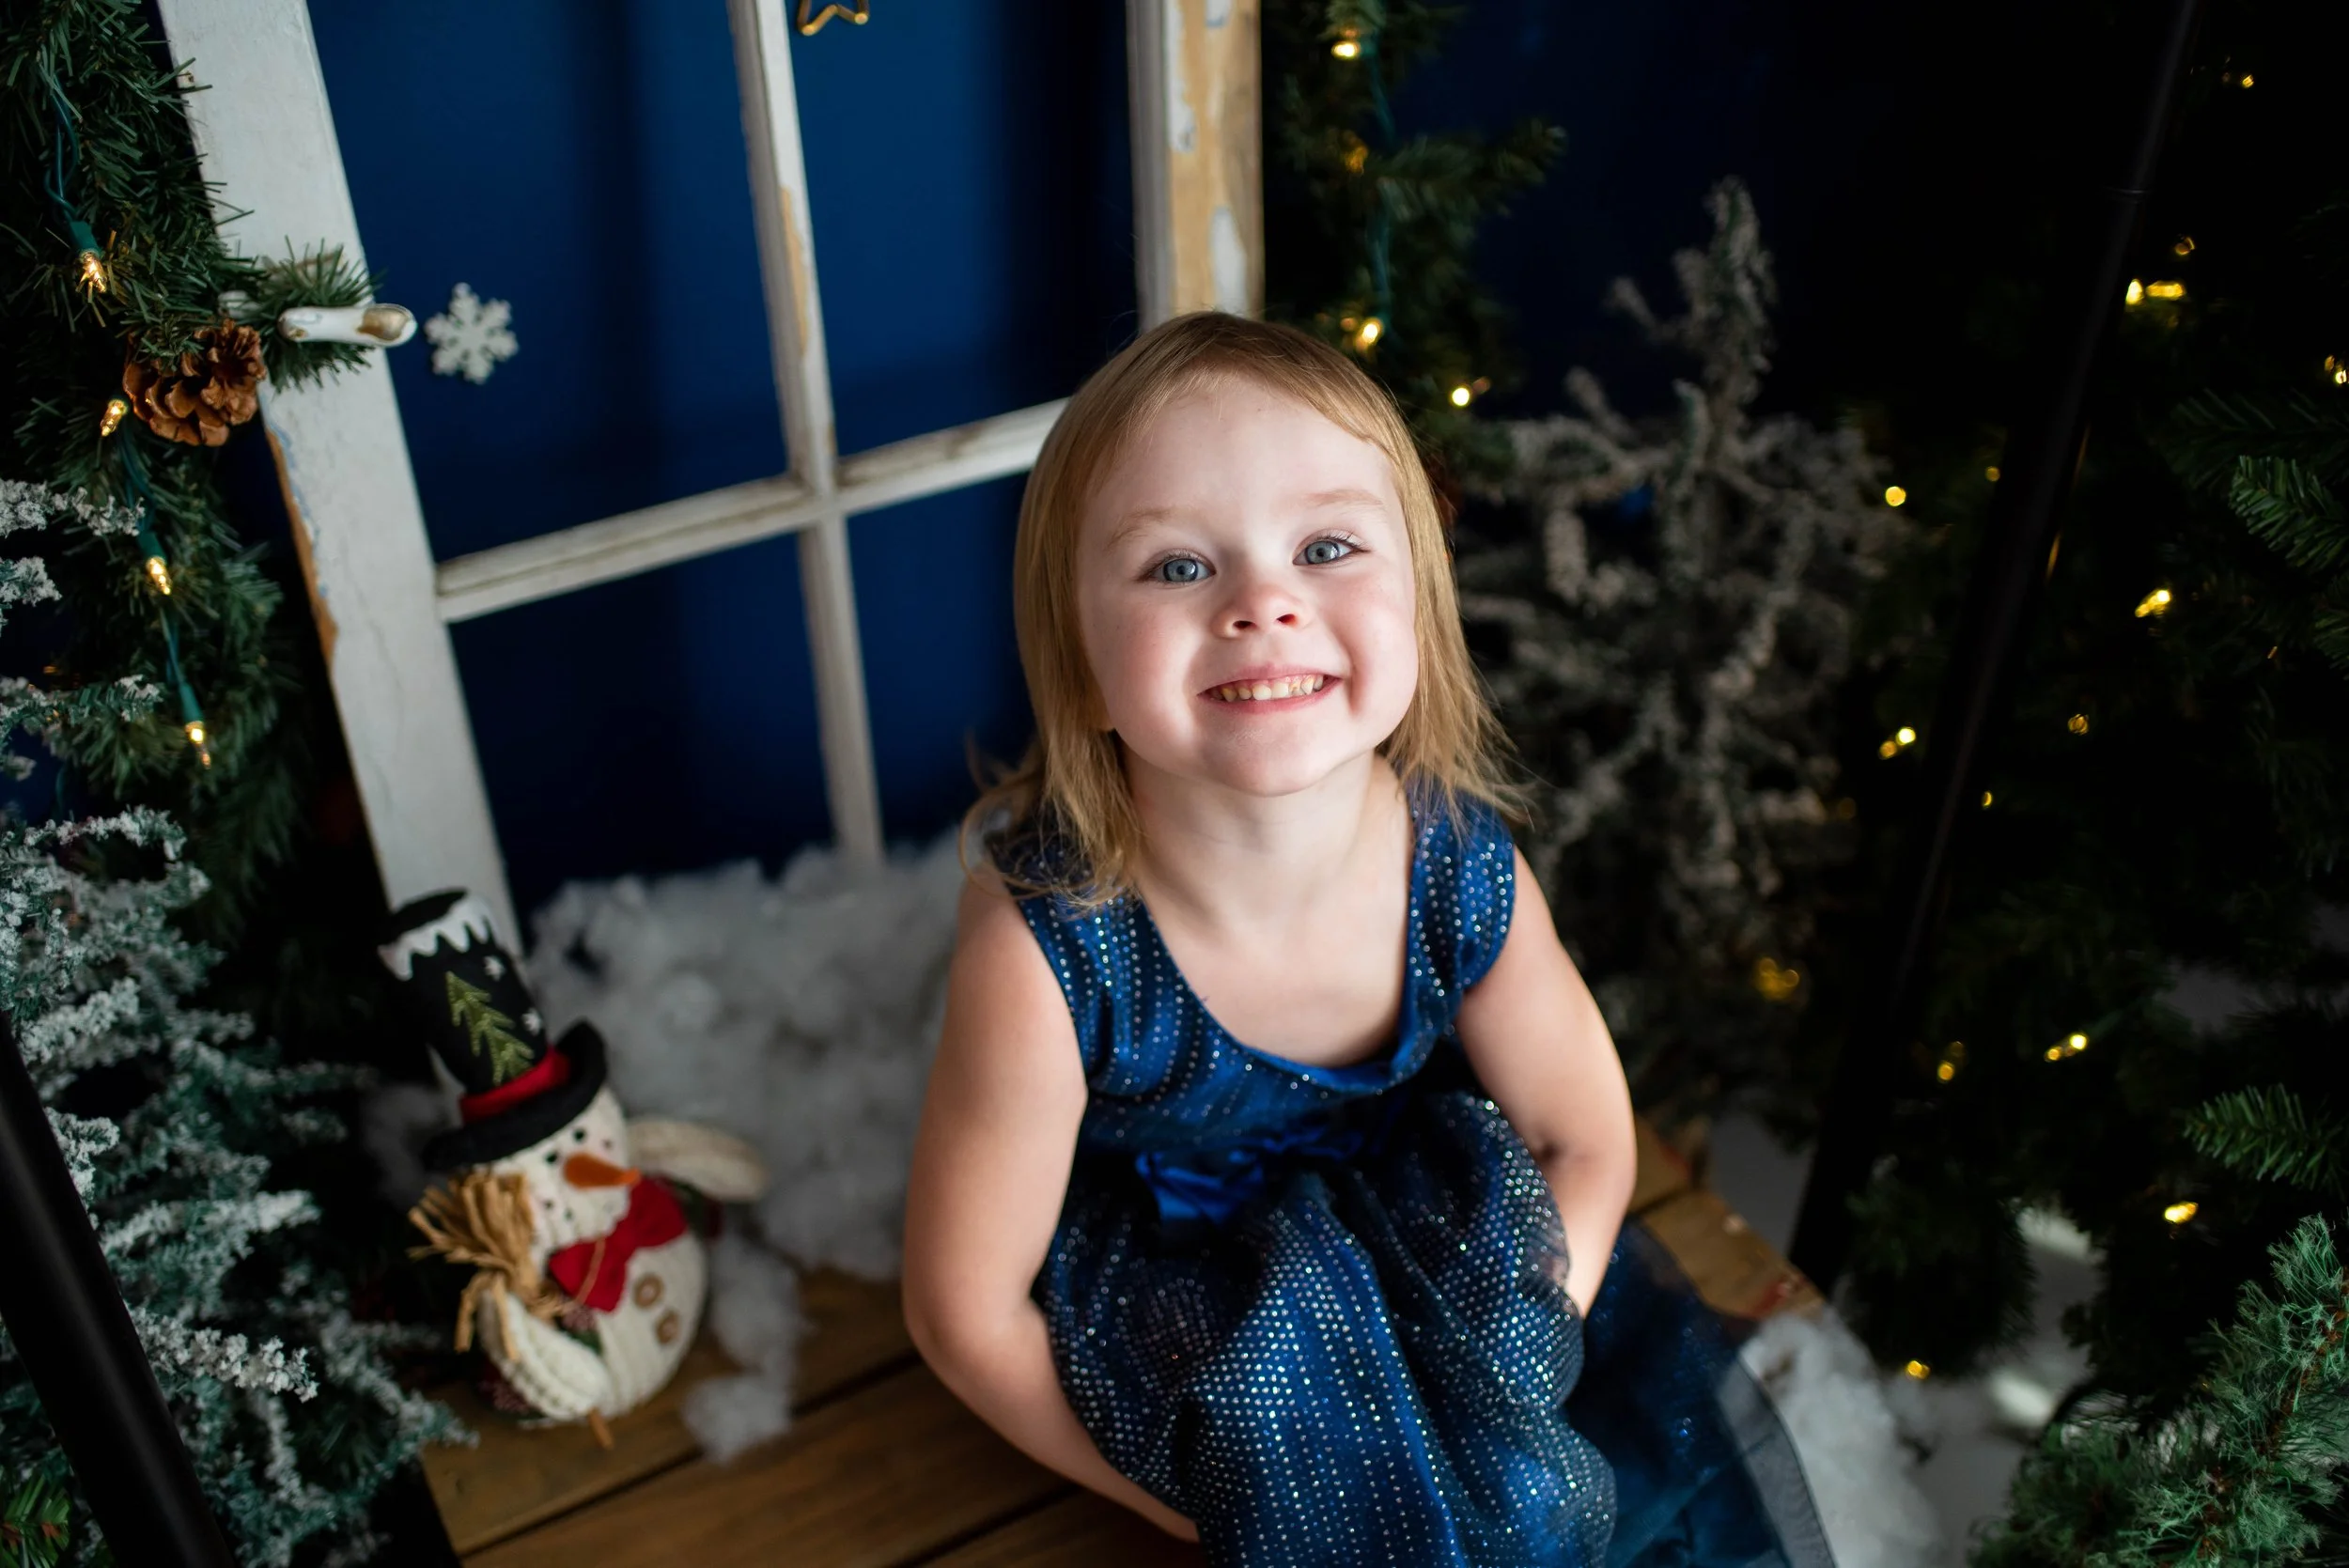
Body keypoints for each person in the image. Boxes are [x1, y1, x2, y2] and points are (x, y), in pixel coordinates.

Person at [901, 313, 1830, 1567]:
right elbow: (965, 1314)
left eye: (1326, 546)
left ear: (1421, 602)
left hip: (1434, 1219)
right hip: (1192, 1292)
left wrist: (1515, 1358)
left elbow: (1583, 1136)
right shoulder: (1049, 952)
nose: (1264, 604)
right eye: (1179, 567)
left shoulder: (1456, 863)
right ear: (1076, 661)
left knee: (1546, 1499)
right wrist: (1190, 1511)